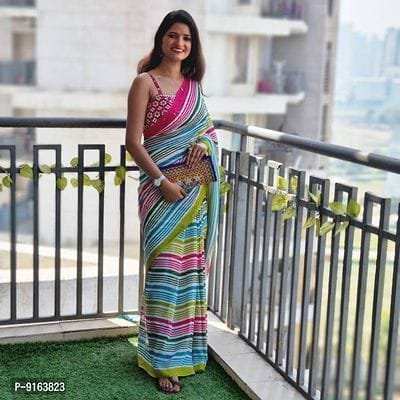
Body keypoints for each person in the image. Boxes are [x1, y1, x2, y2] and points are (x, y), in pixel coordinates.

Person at [125, 10, 219, 394]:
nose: (179, 43)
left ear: (192, 46)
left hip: (193, 194)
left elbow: (210, 132)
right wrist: (161, 181)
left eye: (187, 38)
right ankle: (162, 361)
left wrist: (204, 143)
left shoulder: (194, 87)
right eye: (173, 35)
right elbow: (133, 143)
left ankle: (187, 354)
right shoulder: (144, 83)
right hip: (160, 195)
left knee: (188, 274)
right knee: (164, 275)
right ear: (161, 38)